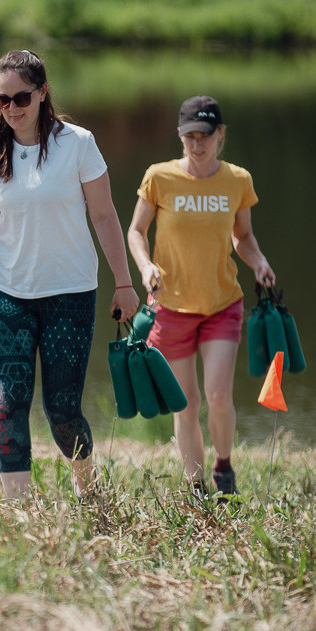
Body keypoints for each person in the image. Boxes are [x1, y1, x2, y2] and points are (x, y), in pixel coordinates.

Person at [0, 50, 139, 501]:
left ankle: (87, 487)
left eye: (21, 97)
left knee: (62, 409)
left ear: (42, 93)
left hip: (70, 294)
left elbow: (105, 216)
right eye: (2, 99)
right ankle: (18, 510)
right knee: (10, 400)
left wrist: (124, 282)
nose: (12, 108)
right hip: (8, 293)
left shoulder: (77, 144)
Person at [126, 95, 276, 497]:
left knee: (218, 395)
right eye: (190, 136)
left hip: (221, 304)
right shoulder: (159, 177)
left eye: (205, 136)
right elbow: (136, 231)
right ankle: (195, 486)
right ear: (180, 136)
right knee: (186, 404)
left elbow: (243, 236)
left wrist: (259, 262)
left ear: (220, 135)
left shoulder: (237, 181)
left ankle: (223, 468)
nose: (197, 144)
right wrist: (145, 266)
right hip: (170, 306)